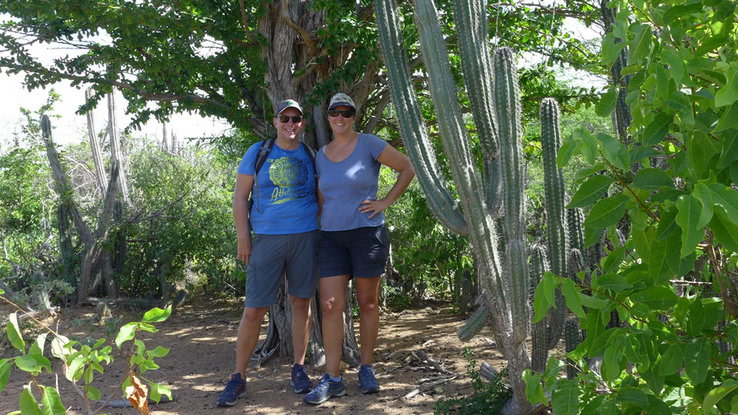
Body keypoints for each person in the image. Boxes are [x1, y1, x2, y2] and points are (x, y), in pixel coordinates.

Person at [303, 93, 415, 405]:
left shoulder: (370, 144)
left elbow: (406, 168)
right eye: (335, 112)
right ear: (327, 117)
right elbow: (323, 197)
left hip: (367, 233)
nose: (340, 117)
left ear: (354, 116)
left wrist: (385, 202)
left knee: (367, 303)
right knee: (330, 305)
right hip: (332, 238)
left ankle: (366, 368)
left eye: (347, 112)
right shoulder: (322, 155)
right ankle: (333, 378)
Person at [218, 99, 319, 407]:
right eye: (285, 118)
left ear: (302, 123)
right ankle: (238, 377)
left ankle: (299, 369)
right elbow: (239, 196)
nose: (291, 124)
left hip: (306, 237)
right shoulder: (258, 152)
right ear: (276, 122)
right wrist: (243, 238)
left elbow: (322, 194)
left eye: (296, 119)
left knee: (301, 302)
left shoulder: (311, 154)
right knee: (254, 309)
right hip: (266, 239)